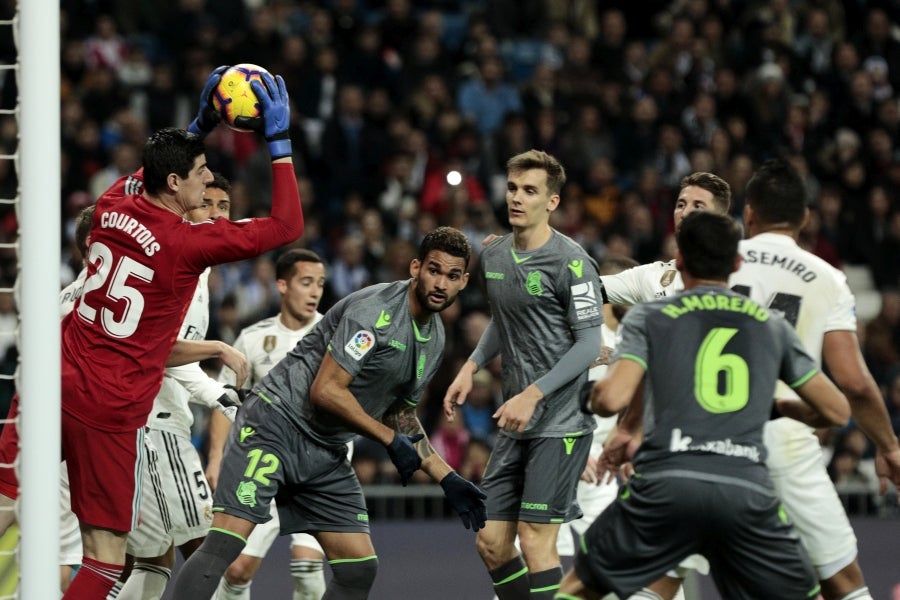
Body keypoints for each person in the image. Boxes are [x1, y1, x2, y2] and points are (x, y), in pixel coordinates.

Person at [0, 67, 303, 599]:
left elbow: (153, 168)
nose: (209, 181)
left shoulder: (114, 201)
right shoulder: (191, 245)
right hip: (107, 407)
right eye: (202, 173)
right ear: (175, 184)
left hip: (51, 378)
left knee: (4, 498)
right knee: (105, 556)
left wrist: (202, 123)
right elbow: (286, 227)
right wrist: (279, 145)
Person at [172, 226, 487, 599]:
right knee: (226, 546)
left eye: (452, 276)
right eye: (434, 270)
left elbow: (401, 415)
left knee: (358, 568)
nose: (441, 283)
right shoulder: (376, 312)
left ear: (464, 281)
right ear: (416, 267)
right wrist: (388, 440)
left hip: (325, 449)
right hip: (276, 424)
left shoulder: (434, 339)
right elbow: (326, 391)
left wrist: (446, 477)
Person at [559, 210, 851, 600]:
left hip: (666, 485)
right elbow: (837, 412)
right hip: (744, 488)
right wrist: (779, 408)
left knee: (579, 586)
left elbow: (611, 399)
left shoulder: (651, 315)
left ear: (679, 261)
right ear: (736, 263)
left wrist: (590, 397)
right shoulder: (771, 325)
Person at [726, 158, 900, 600]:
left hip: (704, 436)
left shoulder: (712, 260)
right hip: (785, 442)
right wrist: (889, 445)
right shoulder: (827, 278)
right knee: (841, 581)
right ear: (806, 218)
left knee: (662, 578)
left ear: (749, 212)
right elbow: (854, 382)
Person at [443, 149, 604, 600]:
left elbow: (589, 344)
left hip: (560, 421)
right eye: (513, 188)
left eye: (530, 191)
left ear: (551, 202)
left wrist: (533, 393)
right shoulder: (493, 255)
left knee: (535, 539)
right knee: (492, 543)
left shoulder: (572, 263)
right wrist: (470, 366)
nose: (517, 198)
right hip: (518, 423)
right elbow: (505, 320)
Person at [108, 173, 244, 600]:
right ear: (187, 208)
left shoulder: (190, 265)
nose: (218, 216)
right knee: (209, 548)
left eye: (225, 207)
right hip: (156, 424)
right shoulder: (179, 266)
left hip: (138, 419)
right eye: (208, 205)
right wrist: (221, 393)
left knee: (148, 556)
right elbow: (161, 351)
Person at [208, 248, 331, 600]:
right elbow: (225, 402)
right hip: (265, 466)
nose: (314, 292)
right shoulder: (253, 338)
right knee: (236, 569)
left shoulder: (334, 336)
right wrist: (216, 457)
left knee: (306, 567)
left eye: (320, 284)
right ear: (282, 285)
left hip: (318, 468)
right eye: (306, 282)